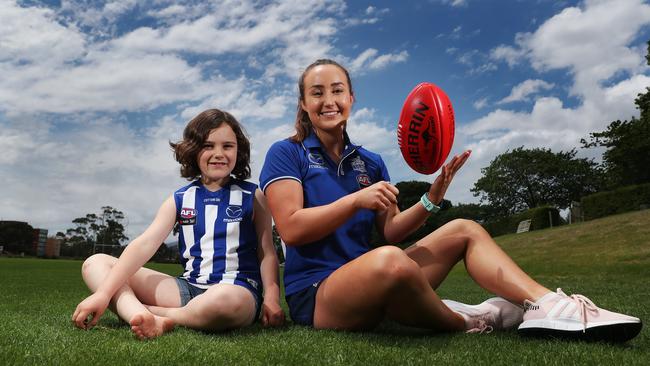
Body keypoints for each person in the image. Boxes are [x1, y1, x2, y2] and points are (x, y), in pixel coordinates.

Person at [259, 59, 642, 342]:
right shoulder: (286, 152)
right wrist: (356, 200)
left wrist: (431, 198)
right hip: (319, 295)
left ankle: (551, 306)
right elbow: (291, 229)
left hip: (377, 275)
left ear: (352, 98)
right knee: (389, 262)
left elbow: (391, 231)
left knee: (464, 229)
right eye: (318, 92)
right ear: (304, 104)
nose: (329, 100)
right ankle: (463, 320)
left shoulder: (370, 162)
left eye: (337, 90)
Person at [72, 109, 285, 339]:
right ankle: (137, 314)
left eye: (227, 146)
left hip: (237, 291)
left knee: (222, 302)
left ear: (238, 150)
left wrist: (272, 297)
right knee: (95, 263)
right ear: (193, 150)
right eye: (208, 146)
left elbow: (267, 253)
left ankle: (157, 315)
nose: (218, 153)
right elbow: (146, 244)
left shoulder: (253, 195)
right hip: (187, 288)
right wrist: (103, 294)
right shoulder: (180, 199)